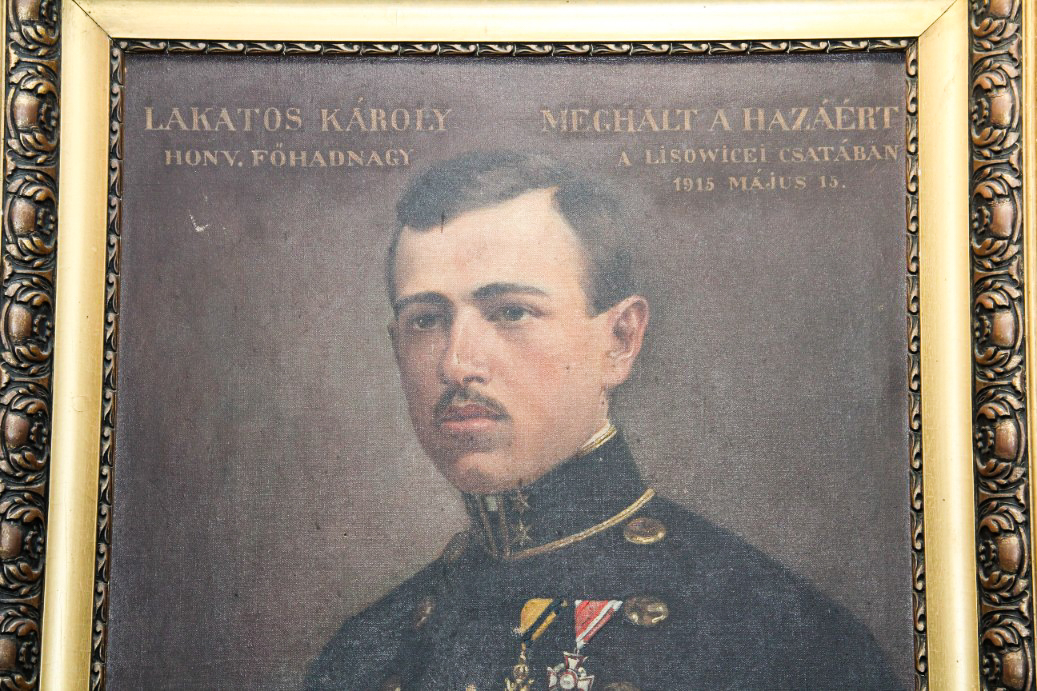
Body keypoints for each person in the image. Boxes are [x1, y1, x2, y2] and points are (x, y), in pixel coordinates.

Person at [307, 151, 900, 690]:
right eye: (425, 320)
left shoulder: (779, 638)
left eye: (511, 312)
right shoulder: (365, 655)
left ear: (619, 340)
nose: (457, 363)